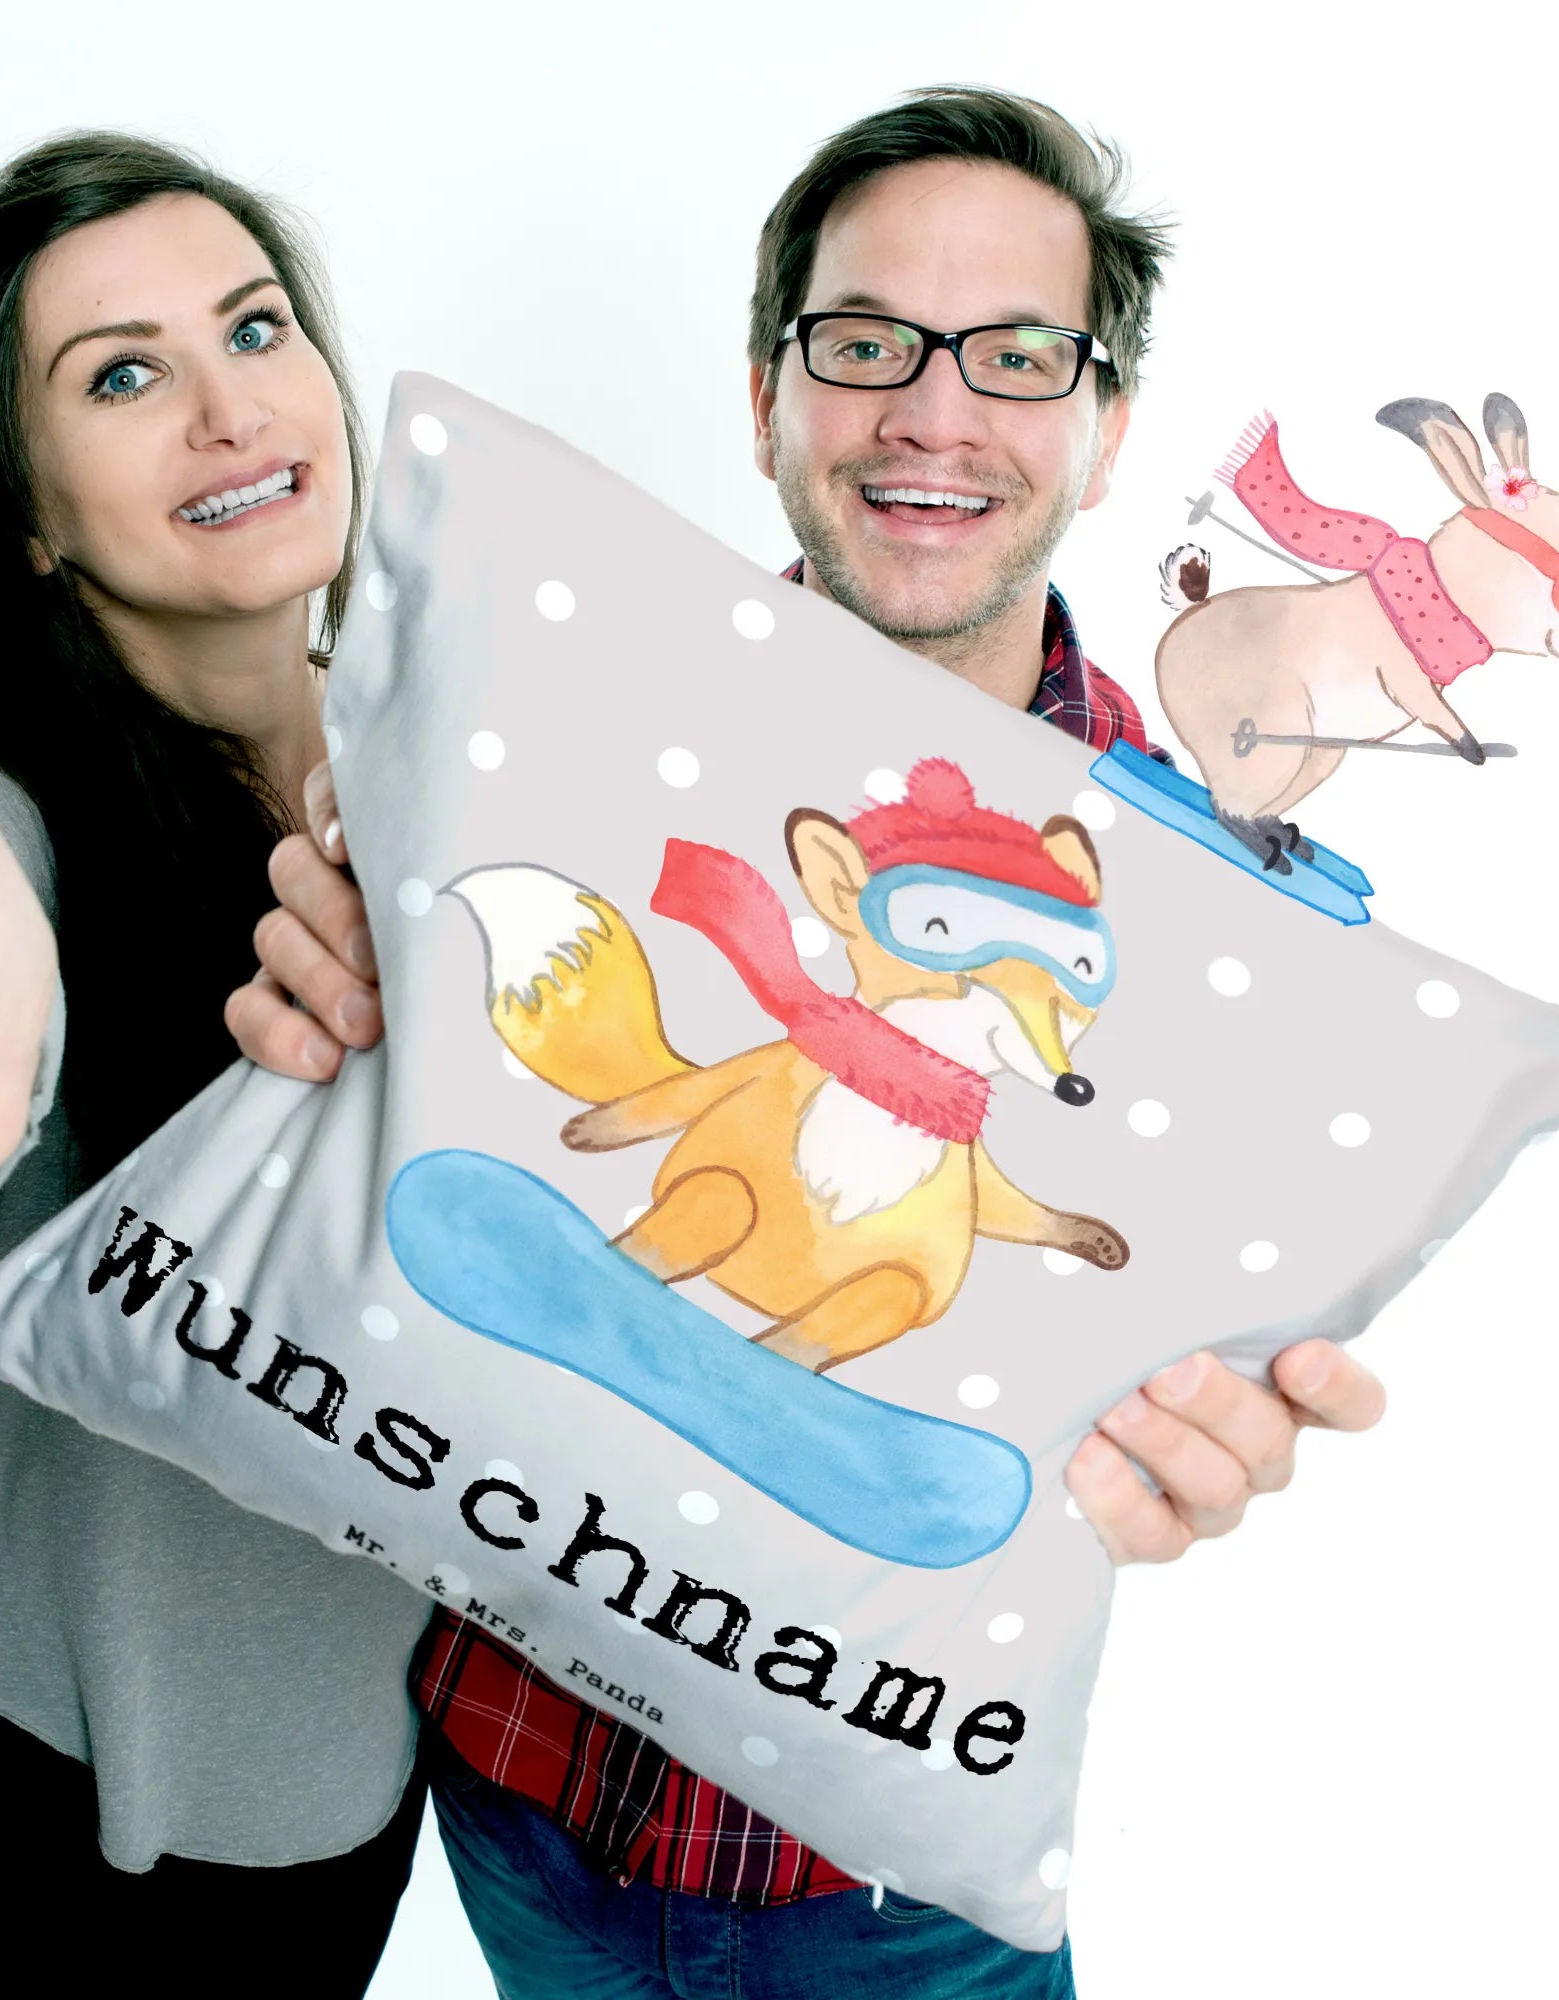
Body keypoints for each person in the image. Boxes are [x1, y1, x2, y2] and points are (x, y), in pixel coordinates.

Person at [230, 87, 1389, 1996]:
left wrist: (1210, 1427)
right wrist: (325, 1007)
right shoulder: (544, 724)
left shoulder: (1216, 917)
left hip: (898, 1885)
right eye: (866, 344)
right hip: (512, 1797)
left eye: (1018, 355)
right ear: (767, 397)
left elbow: (1176, 1348)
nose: (935, 412)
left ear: (1105, 433)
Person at [0, 135, 429, 1994]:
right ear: (30, 513)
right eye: (121, 376)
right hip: (68, 1801)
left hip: (362, 1770)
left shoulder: (438, 769)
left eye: (254, 329)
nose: (227, 409)